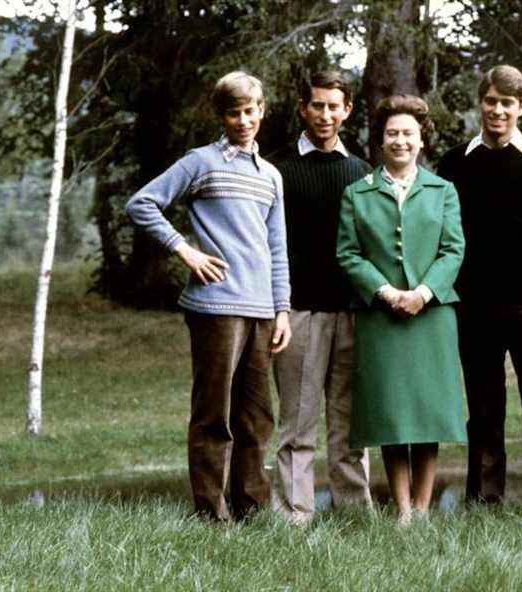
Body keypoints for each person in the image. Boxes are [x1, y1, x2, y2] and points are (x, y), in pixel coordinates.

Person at [125, 71, 291, 521]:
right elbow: (142, 204)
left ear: (263, 111)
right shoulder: (200, 162)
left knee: (257, 418)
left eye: (250, 111)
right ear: (221, 115)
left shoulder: (271, 176)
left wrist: (282, 309)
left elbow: (277, 247)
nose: (243, 120)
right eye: (234, 113)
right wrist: (184, 250)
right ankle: (210, 514)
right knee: (213, 414)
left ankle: (252, 510)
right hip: (215, 306)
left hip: (261, 309)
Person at [437, 65, 522, 506]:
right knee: (484, 405)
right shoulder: (456, 163)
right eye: (491, 101)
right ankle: (485, 497)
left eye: (507, 104)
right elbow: (443, 230)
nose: (497, 111)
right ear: (481, 103)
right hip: (473, 304)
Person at [335, 94, 466, 525]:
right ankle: (403, 509)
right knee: (392, 414)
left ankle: (424, 509)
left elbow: (453, 249)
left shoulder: (443, 190)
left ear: (421, 139)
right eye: (392, 133)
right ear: (380, 139)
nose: (400, 141)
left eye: (408, 133)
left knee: (427, 414)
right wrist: (388, 293)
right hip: (381, 317)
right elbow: (349, 254)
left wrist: (423, 293)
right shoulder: (357, 193)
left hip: (432, 315)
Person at [270, 70, 372, 525]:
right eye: (317, 105)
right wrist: (280, 309)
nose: (325, 114)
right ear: (303, 108)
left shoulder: (363, 174)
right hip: (299, 312)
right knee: (297, 424)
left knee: (350, 426)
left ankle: (355, 515)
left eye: (335, 106)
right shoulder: (278, 170)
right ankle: (295, 516)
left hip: (353, 313)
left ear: (347, 110)